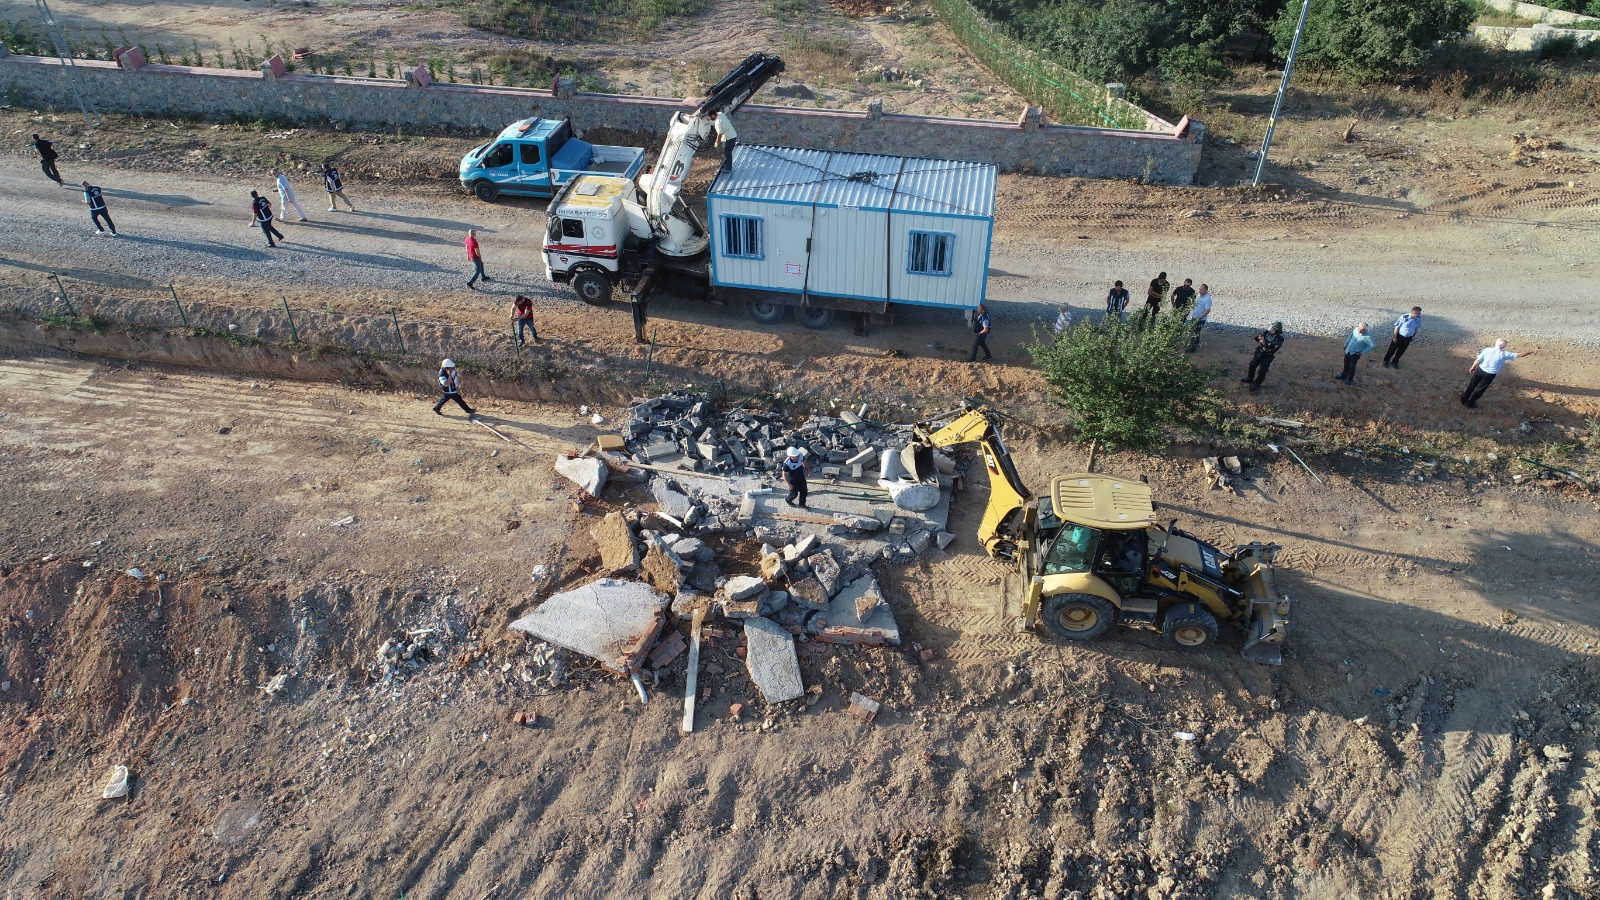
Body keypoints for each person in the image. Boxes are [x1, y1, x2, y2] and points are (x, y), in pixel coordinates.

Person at [1461, 338, 1539, 409]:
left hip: (1480, 370)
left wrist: (1473, 367)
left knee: (1472, 385)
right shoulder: (1504, 354)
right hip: (1490, 374)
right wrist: (1531, 351)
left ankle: (1464, 399)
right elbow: (1520, 355)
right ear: (1503, 347)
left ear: (1495, 343)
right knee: (1480, 389)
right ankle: (1470, 403)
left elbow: (1478, 360)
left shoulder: (1487, 350)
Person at [1242, 322, 1284, 392]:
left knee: (1262, 371)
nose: (1271, 329)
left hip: (1267, 356)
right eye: (1272, 327)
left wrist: (1264, 344)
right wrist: (1259, 338)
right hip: (1259, 353)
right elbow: (1257, 339)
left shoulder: (1279, 339)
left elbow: (1272, 350)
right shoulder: (1267, 333)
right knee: (1252, 365)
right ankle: (1250, 378)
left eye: (1273, 328)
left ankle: (1257, 384)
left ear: (1277, 331)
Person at [1186, 284, 1212, 352]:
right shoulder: (1199, 295)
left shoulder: (1208, 299)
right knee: (1193, 331)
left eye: (1201, 290)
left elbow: (1207, 310)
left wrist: (1200, 318)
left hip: (1200, 319)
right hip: (1194, 317)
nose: (1200, 291)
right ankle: (1192, 344)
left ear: (1206, 290)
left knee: (1196, 332)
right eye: (1199, 289)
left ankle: (1193, 348)